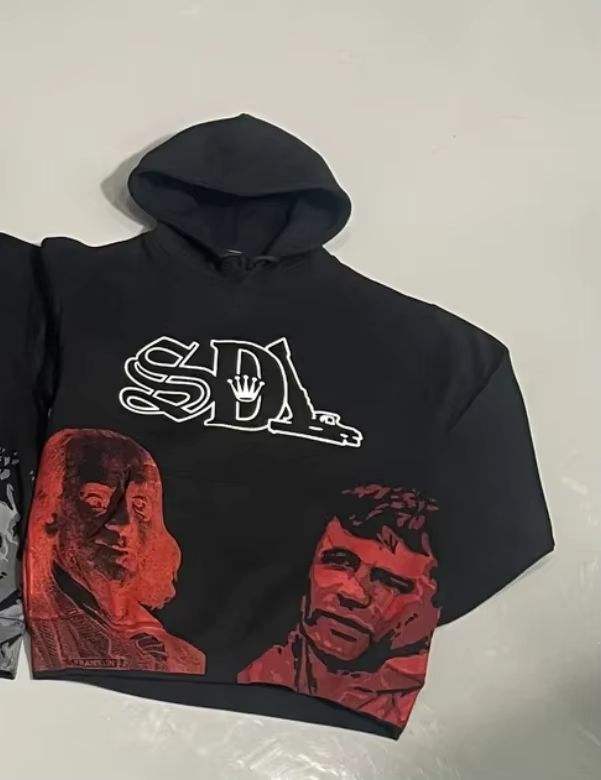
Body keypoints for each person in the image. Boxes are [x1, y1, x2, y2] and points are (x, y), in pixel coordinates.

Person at [238, 483, 440, 729]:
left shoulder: (413, 708)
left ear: (428, 607)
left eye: (390, 583)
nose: (353, 593)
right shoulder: (260, 666)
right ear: (309, 565)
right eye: (339, 562)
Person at [24, 428, 205, 674]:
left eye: (139, 505)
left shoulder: (185, 656)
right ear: (54, 510)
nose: (124, 525)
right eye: (96, 501)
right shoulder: (46, 628)